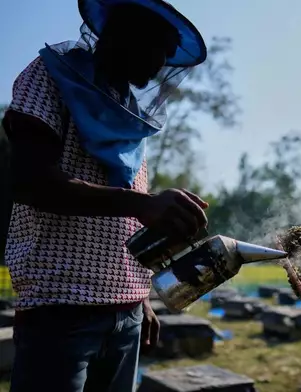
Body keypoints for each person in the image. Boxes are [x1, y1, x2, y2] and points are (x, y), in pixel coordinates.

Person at [2, 1, 210, 391]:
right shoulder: (49, 77)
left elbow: (128, 216)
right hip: (60, 305)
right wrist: (145, 205)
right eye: (155, 50)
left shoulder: (128, 113)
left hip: (126, 313)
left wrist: (139, 294)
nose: (157, 66)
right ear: (121, 36)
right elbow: (31, 181)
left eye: (167, 57)